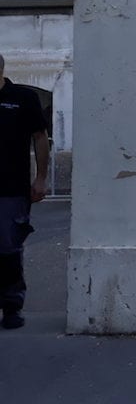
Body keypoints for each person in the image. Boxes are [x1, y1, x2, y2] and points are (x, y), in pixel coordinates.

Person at [0, 53, 49, 330]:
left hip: (11, 188)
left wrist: (41, 179)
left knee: (8, 248)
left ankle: (11, 307)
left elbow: (40, 138)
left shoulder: (23, 98)